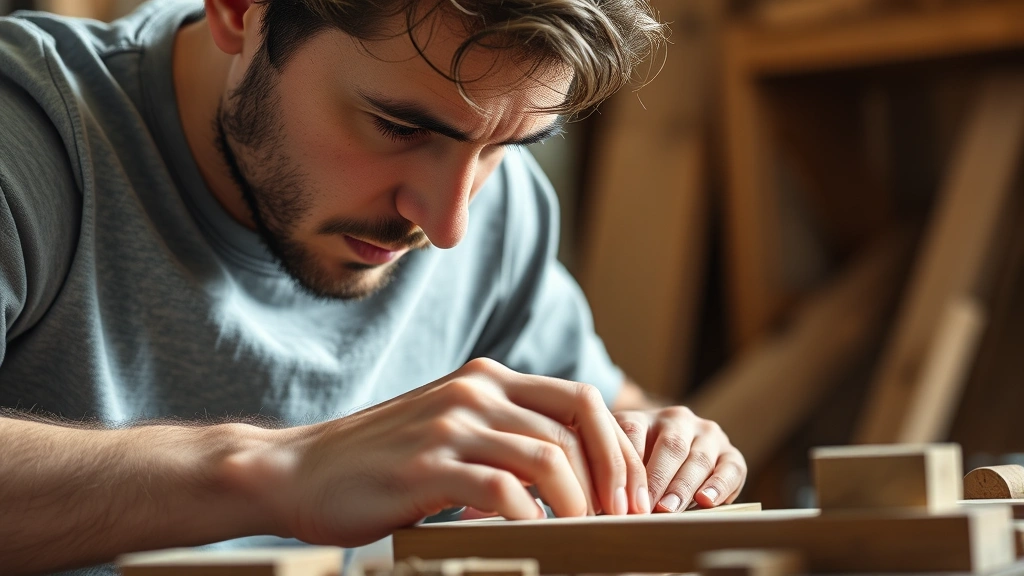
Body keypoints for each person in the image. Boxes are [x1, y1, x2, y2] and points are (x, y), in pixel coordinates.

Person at [0, 0, 748, 574]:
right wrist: (280, 472)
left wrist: (663, 451)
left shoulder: (502, 208)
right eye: (399, 127)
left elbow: (611, 409)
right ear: (240, 12)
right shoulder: (27, 134)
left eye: (506, 146)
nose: (447, 226)